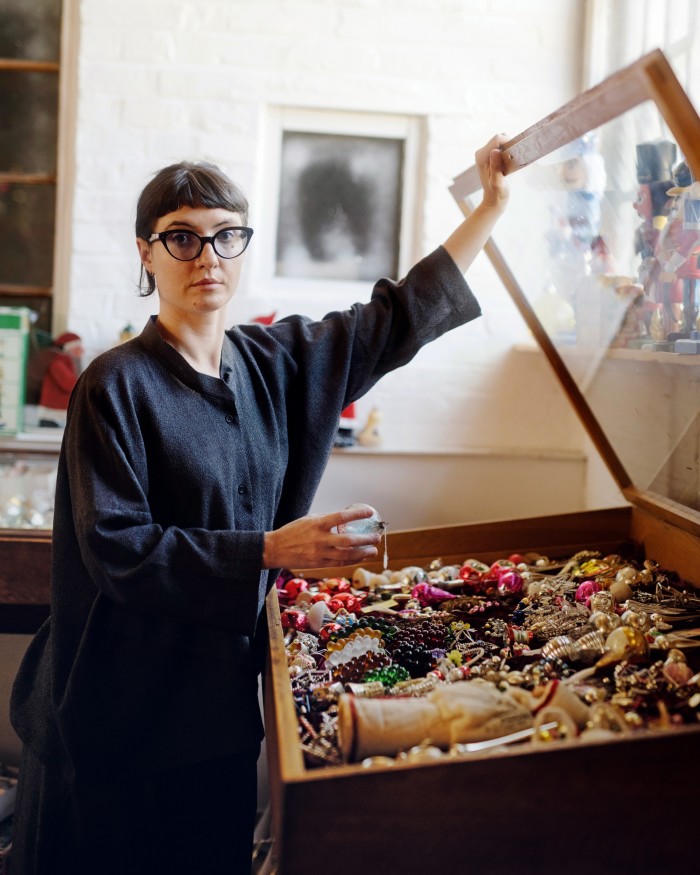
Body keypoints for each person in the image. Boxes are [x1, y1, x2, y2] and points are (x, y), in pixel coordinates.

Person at [9, 133, 509, 874]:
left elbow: (397, 318)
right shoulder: (114, 385)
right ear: (146, 253)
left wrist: (490, 209)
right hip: (112, 722)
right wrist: (273, 549)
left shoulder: (274, 363)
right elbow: (118, 547)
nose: (206, 256)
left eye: (224, 236)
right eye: (181, 237)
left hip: (212, 719)